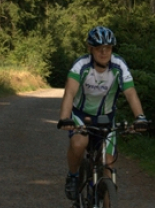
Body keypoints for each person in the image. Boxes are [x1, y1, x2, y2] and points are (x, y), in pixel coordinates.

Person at [57, 26, 148, 201]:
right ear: (91, 49)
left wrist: (140, 117)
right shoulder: (81, 66)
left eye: (108, 47)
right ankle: (73, 176)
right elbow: (69, 93)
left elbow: (130, 93)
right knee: (79, 143)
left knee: (108, 163)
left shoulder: (119, 66)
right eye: (99, 48)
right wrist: (65, 118)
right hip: (80, 116)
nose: (104, 52)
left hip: (107, 118)